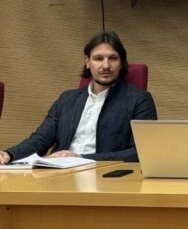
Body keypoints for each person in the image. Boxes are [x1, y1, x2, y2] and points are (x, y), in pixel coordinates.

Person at [0, 32, 157, 164]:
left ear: (121, 63)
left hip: (106, 176)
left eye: (113, 58)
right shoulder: (67, 99)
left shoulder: (139, 100)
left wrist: (81, 158)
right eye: (98, 58)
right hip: (60, 174)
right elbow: (40, 140)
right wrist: (9, 154)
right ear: (87, 62)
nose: (106, 65)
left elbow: (141, 152)